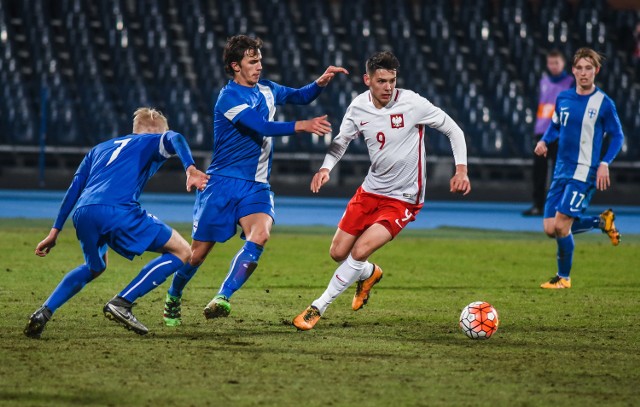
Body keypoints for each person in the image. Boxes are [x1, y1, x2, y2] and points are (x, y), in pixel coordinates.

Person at [162, 35, 348, 325]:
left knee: (260, 235)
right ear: (235, 66)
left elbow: (300, 96)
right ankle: (173, 296)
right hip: (221, 184)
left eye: (260, 59)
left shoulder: (268, 89)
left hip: (257, 186)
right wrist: (301, 126)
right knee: (196, 255)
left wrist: (320, 82)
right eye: (252, 61)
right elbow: (260, 126)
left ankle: (222, 297)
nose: (259, 65)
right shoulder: (229, 97)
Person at [292, 51, 471, 331]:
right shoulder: (358, 108)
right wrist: (326, 168)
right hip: (370, 190)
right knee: (338, 253)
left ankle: (319, 306)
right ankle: (369, 273)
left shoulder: (413, 103)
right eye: (381, 81)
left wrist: (461, 170)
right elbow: (341, 141)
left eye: (392, 80)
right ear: (367, 80)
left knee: (361, 249)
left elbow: (454, 130)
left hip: (403, 198)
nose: (388, 87)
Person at [23, 108, 209, 338]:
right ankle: (123, 301)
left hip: (83, 212)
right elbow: (176, 138)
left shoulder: (99, 148)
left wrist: (55, 231)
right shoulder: (151, 141)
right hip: (117, 209)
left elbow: (75, 189)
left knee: (95, 266)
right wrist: (190, 167)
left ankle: (44, 312)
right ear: (155, 132)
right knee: (182, 251)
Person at [535, 47, 624, 289]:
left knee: (562, 225)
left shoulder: (604, 103)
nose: (584, 73)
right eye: (580, 68)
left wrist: (605, 163)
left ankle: (563, 278)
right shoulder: (563, 98)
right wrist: (544, 140)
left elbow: (617, 136)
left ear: (596, 70)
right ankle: (601, 222)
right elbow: (555, 126)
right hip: (561, 170)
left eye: (589, 68)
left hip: (585, 171)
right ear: (573, 70)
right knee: (550, 228)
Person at [523, 50, 574, 216]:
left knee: (559, 173)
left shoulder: (570, 82)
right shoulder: (543, 81)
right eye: (551, 63)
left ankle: (558, 207)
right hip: (542, 133)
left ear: (563, 63)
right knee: (539, 172)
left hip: (561, 133)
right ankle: (537, 205)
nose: (553, 66)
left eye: (556, 63)